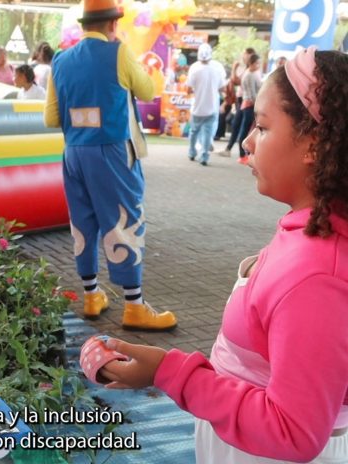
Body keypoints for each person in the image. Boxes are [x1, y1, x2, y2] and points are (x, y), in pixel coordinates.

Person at [86, 47, 348, 463]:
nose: (246, 141)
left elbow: (292, 430)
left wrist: (168, 372)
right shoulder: (309, 230)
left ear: (313, 143)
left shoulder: (318, 277)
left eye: (262, 127)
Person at [44, 0, 177, 331]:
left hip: (73, 152)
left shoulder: (59, 60)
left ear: (85, 24)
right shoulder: (119, 52)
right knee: (123, 219)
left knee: (83, 221)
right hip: (112, 150)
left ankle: (91, 295)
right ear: (113, 24)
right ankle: (134, 306)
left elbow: (50, 118)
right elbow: (146, 90)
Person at [186, 43, 226, 166]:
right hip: (212, 107)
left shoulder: (194, 69)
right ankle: (204, 157)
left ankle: (192, 153)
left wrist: (197, 89)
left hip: (197, 107)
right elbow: (222, 88)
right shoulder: (217, 69)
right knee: (208, 133)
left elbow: (188, 89)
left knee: (194, 131)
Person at [217, 47, 255, 157]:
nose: (243, 57)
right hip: (242, 100)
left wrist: (234, 68)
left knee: (242, 126)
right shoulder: (247, 69)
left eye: (244, 54)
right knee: (236, 125)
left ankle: (242, 153)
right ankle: (232, 150)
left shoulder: (250, 71)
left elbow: (236, 81)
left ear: (249, 55)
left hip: (246, 101)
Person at [236, 53, 262, 165]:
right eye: (257, 63)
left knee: (247, 130)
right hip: (249, 105)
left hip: (249, 104)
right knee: (245, 130)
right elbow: (252, 94)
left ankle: (244, 154)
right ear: (251, 63)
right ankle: (242, 154)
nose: (258, 65)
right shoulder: (249, 75)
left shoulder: (251, 73)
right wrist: (259, 104)